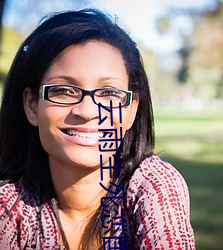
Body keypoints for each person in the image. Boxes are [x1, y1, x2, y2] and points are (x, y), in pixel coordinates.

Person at [0, 9, 195, 250]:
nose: (87, 110)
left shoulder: (155, 186)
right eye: (64, 90)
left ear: (131, 110)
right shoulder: (9, 207)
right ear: (32, 106)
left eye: (109, 93)